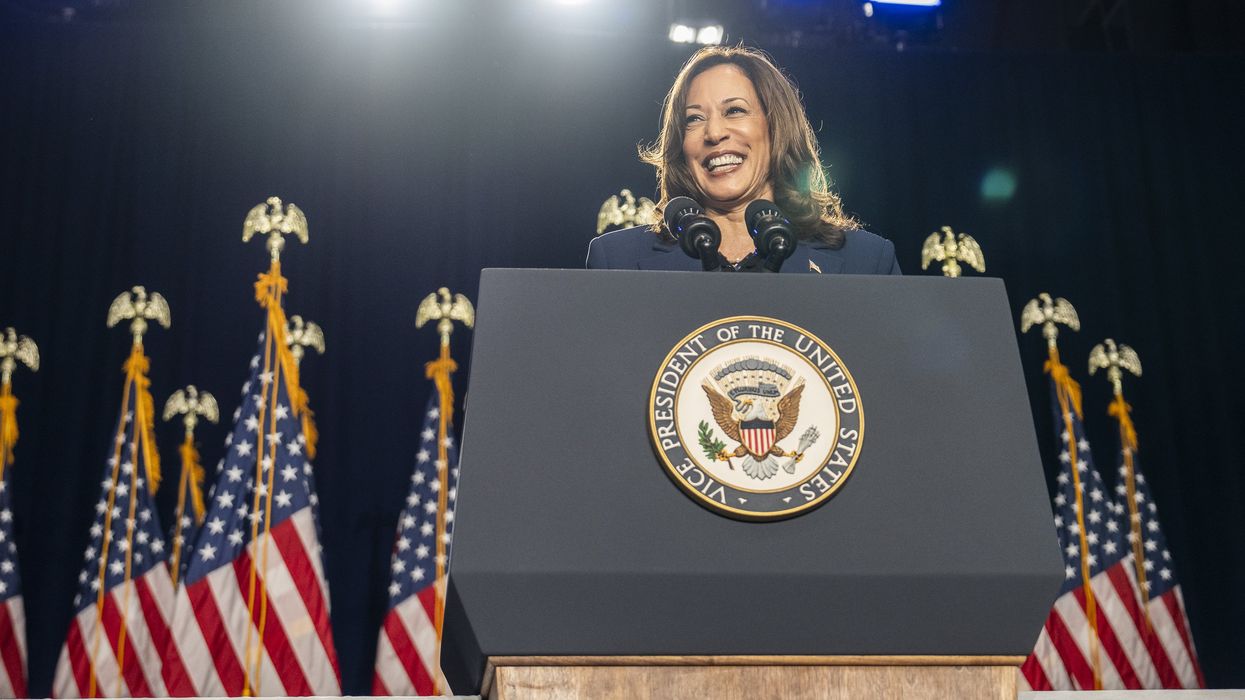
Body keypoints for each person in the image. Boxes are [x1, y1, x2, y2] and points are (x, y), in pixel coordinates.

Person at [586, 45, 900, 275]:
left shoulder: (867, 262)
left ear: (776, 127)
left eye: (734, 111)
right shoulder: (617, 261)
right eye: (693, 119)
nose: (713, 132)